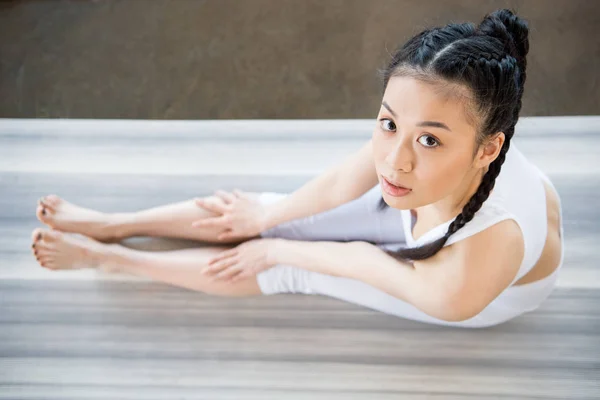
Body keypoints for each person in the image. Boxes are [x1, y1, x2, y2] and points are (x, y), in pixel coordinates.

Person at [30, 8, 564, 328]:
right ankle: (115, 223)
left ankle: (110, 259)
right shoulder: (418, 144)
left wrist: (275, 247)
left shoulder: (468, 277)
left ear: (488, 149)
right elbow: (340, 182)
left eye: (428, 139)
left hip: (468, 276)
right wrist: (265, 218)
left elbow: (358, 260)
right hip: (435, 208)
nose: (394, 158)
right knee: (259, 212)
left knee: (292, 265)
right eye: (387, 123)